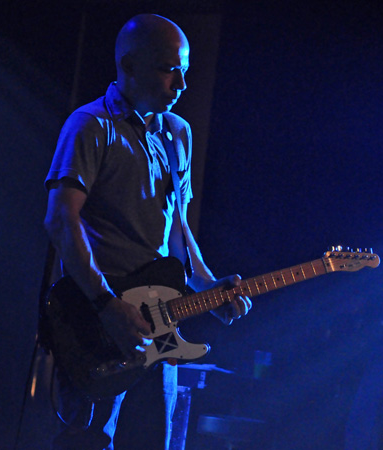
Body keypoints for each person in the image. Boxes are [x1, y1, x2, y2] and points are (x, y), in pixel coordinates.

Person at [43, 13, 252, 450]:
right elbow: (62, 220)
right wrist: (107, 306)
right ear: (129, 66)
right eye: (168, 69)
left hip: (159, 325)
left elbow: (178, 232)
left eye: (185, 71)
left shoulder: (177, 134)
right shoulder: (90, 125)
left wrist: (208, 286)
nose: (181, 84)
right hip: (98, 330)